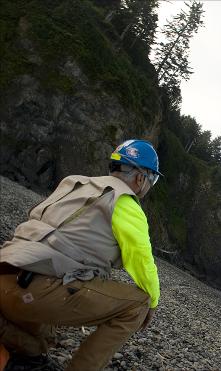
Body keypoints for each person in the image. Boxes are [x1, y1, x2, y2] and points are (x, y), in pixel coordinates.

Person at [0, 139, 162, 370]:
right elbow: (142, 262)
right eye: (152, 179)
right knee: (137, 304)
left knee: (41, 344)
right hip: (35, 294)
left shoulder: (73, 182)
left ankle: (22, 353)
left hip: (5, 278)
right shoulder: (125, 203)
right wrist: (153, 302)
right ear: (140, 177)